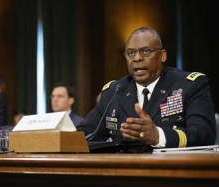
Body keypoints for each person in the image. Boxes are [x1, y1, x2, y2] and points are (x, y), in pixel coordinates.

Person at [78, 27, 216, 148]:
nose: (137, 58)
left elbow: (204, 133)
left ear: (162, 55)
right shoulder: (114, 91)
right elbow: (85, 135)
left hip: (173, 170)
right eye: (131, 53)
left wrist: (158, 136)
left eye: (145, 51)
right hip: (122, 172)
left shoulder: (189, 85)